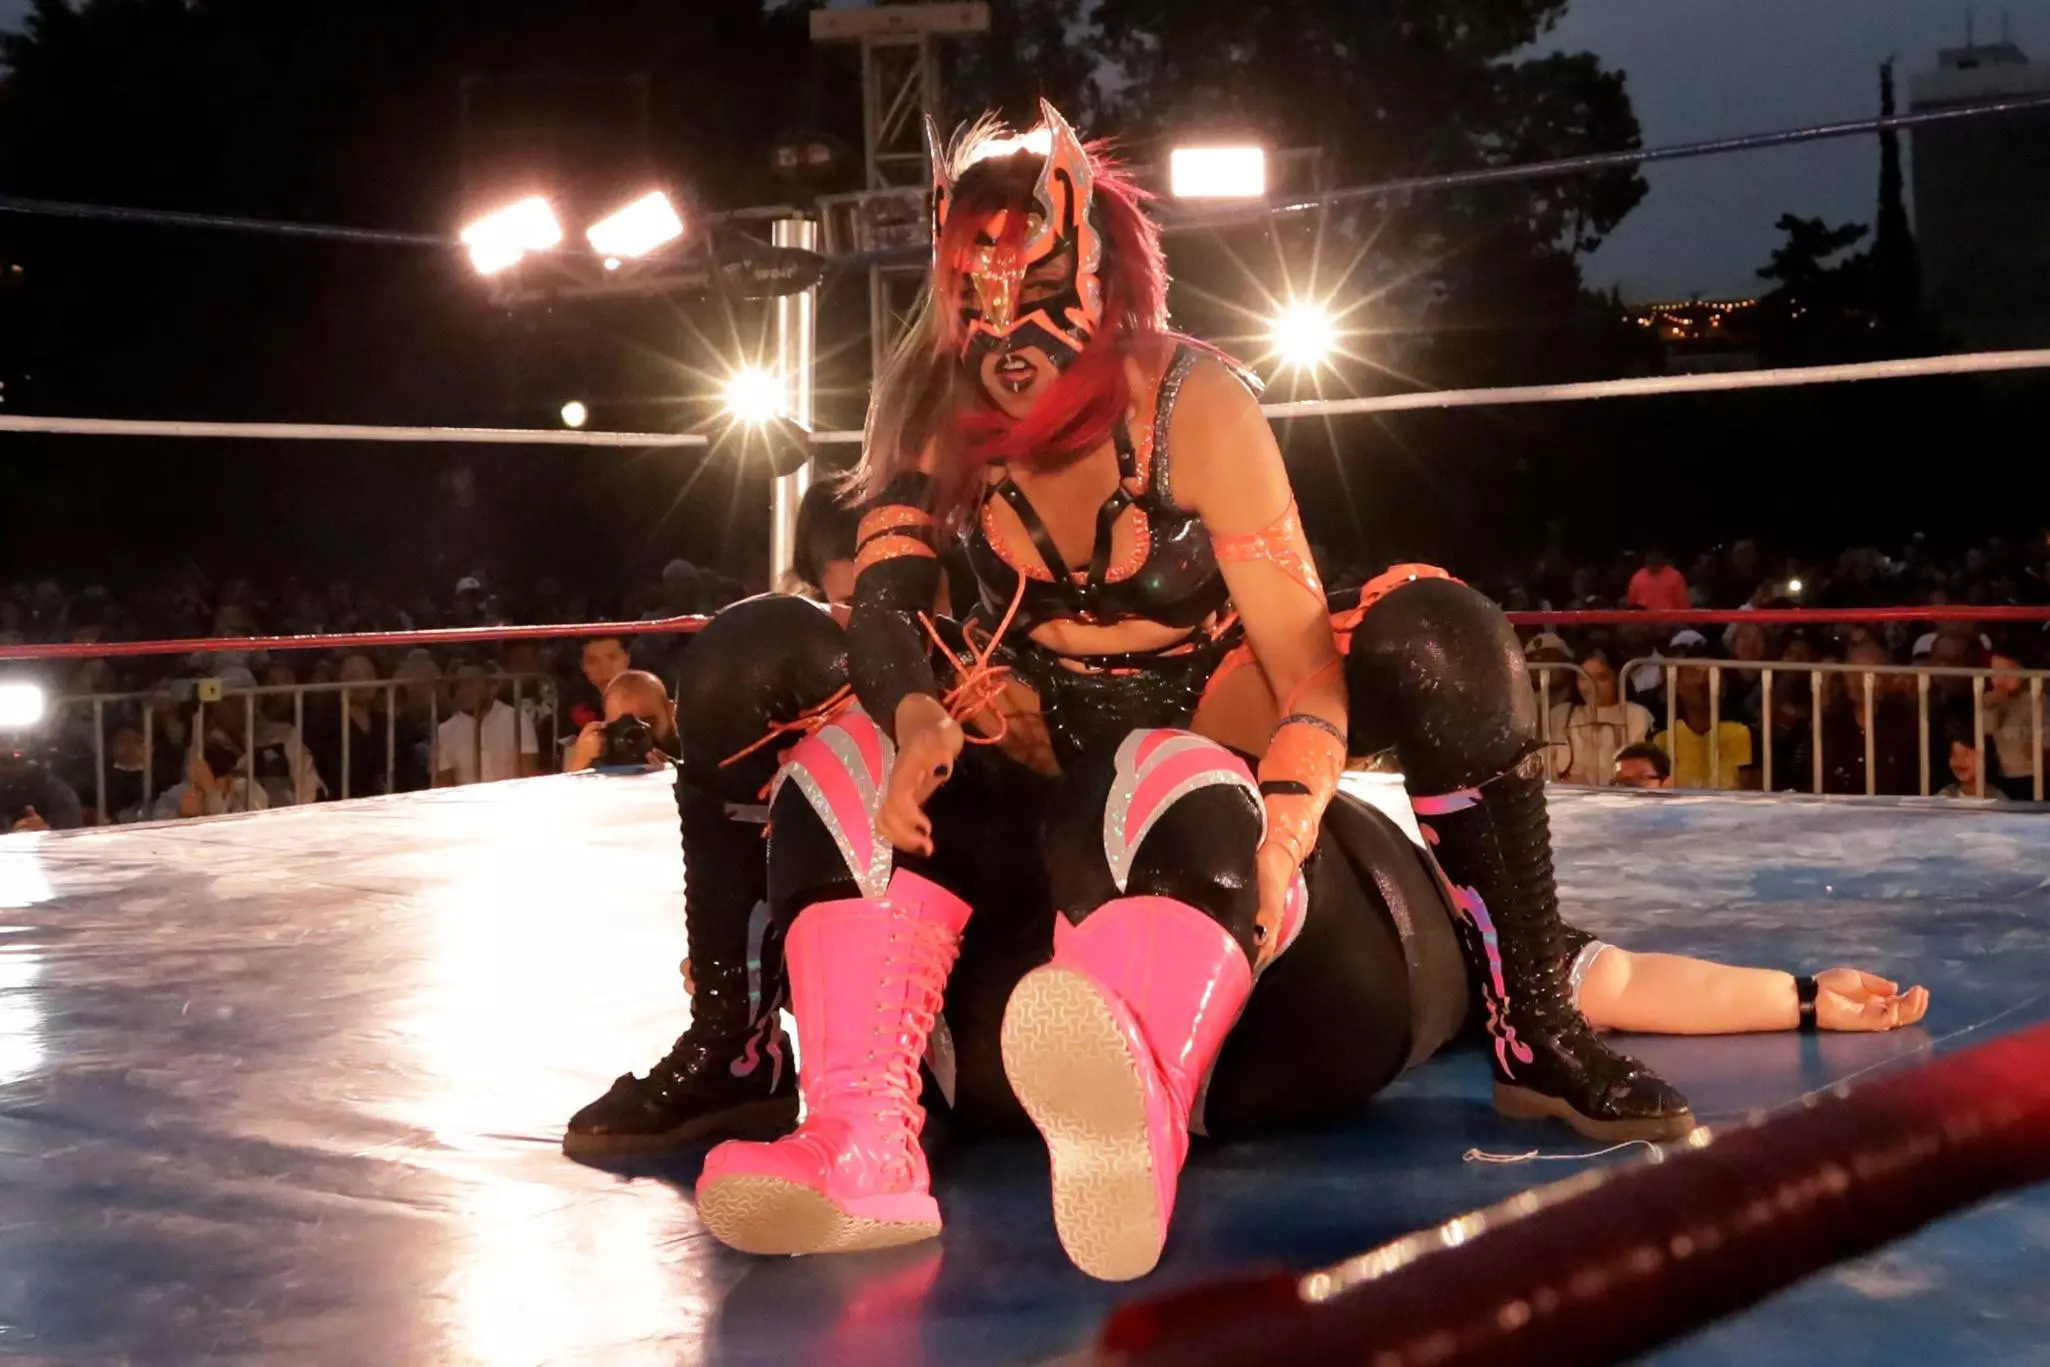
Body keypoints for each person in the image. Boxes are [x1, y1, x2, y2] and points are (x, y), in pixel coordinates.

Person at [569, 102, 1692, 1281]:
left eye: (1036, 293)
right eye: (978, 298)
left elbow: (1306, 660)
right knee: (750, 649)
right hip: (1021, 744)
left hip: (1201, 743)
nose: (1007, 341)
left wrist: (1293, 812)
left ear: (1098, 284)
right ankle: (756, 1063)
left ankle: (1536, 1031)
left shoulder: (1191, 404)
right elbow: (889, 604)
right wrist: (911, 718)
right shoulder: (931, 402)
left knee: (1442, 637)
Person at [1546, 647, 1652, 784]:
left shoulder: (1637, 714)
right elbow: (1544, 770)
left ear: (1618, 677)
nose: (1592, 686)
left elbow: (1640, 771)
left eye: (1601, 678)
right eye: (1583, 678)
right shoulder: (1560, 715)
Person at [432, 665, 540, 787]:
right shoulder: (445, 731)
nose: (463, 691)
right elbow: (444, 785)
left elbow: (529, 776)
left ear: (492, 688)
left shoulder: (518, 719)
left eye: (471, 684)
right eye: (459, 685)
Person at [565, 670, 681, 773]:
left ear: (670, 711)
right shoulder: (599, 756)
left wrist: (672, 774)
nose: (635, 736)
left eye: (648, 722)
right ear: (606, 724)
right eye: (623, 726)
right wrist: (579, 764)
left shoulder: (693, 751)